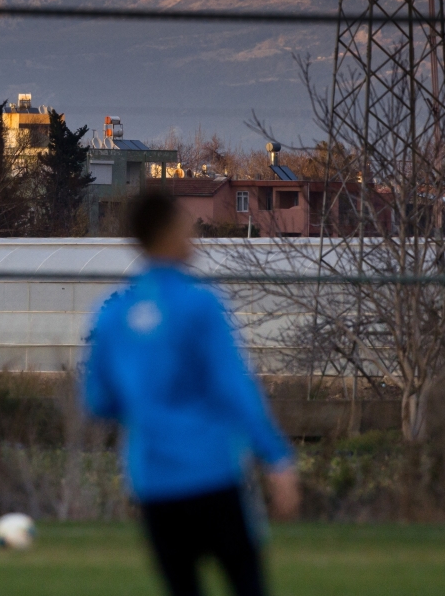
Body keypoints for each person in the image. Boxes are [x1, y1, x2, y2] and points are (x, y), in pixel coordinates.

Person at [85, 190, 300, 596]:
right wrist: (275, 457)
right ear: (168, 233)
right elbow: (235, 387)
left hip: (152, 481)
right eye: (185, 223)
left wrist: (149, 410)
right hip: (212, 472)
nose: (193, 231)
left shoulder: (111, 313)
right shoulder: (200, 305)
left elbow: (99, 401)